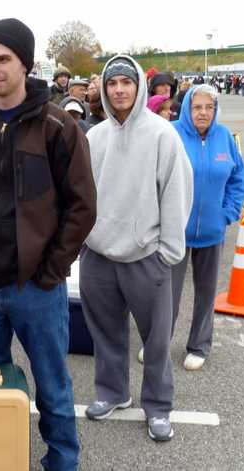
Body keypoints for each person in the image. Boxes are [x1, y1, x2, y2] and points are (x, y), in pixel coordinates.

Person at [0, 18, 97, 471]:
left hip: (37, 286)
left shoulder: (57, 126)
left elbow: (82, 206)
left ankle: (62, 460)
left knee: (52, 383)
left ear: (25, 64)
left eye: (3, 59)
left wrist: (51, 269)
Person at [80, 55, 193, 442]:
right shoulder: (94, 137)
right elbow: (81, 195)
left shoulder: (163, 135)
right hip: (99, 256)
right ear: (105, 90)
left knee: (156, 339)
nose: (119, 90)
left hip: (147, 257)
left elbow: (177, 193)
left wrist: (168, 252)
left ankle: (159, 407)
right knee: (106, 333)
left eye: (126, 82)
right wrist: (84, 244)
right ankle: (113, 393)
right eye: (112, 83)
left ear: (138, 87)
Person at [170, 84, 244, 371]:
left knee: (206, 294)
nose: (203, 113)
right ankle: (157, 342)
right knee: (166, 295)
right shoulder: (172, 134)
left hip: (212, 233)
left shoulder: (224, 137)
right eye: (197, 107)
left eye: (209, 107)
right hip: (175, 232)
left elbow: (238, 178)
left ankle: (199, 345)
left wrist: (228, 213)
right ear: (188, 109)